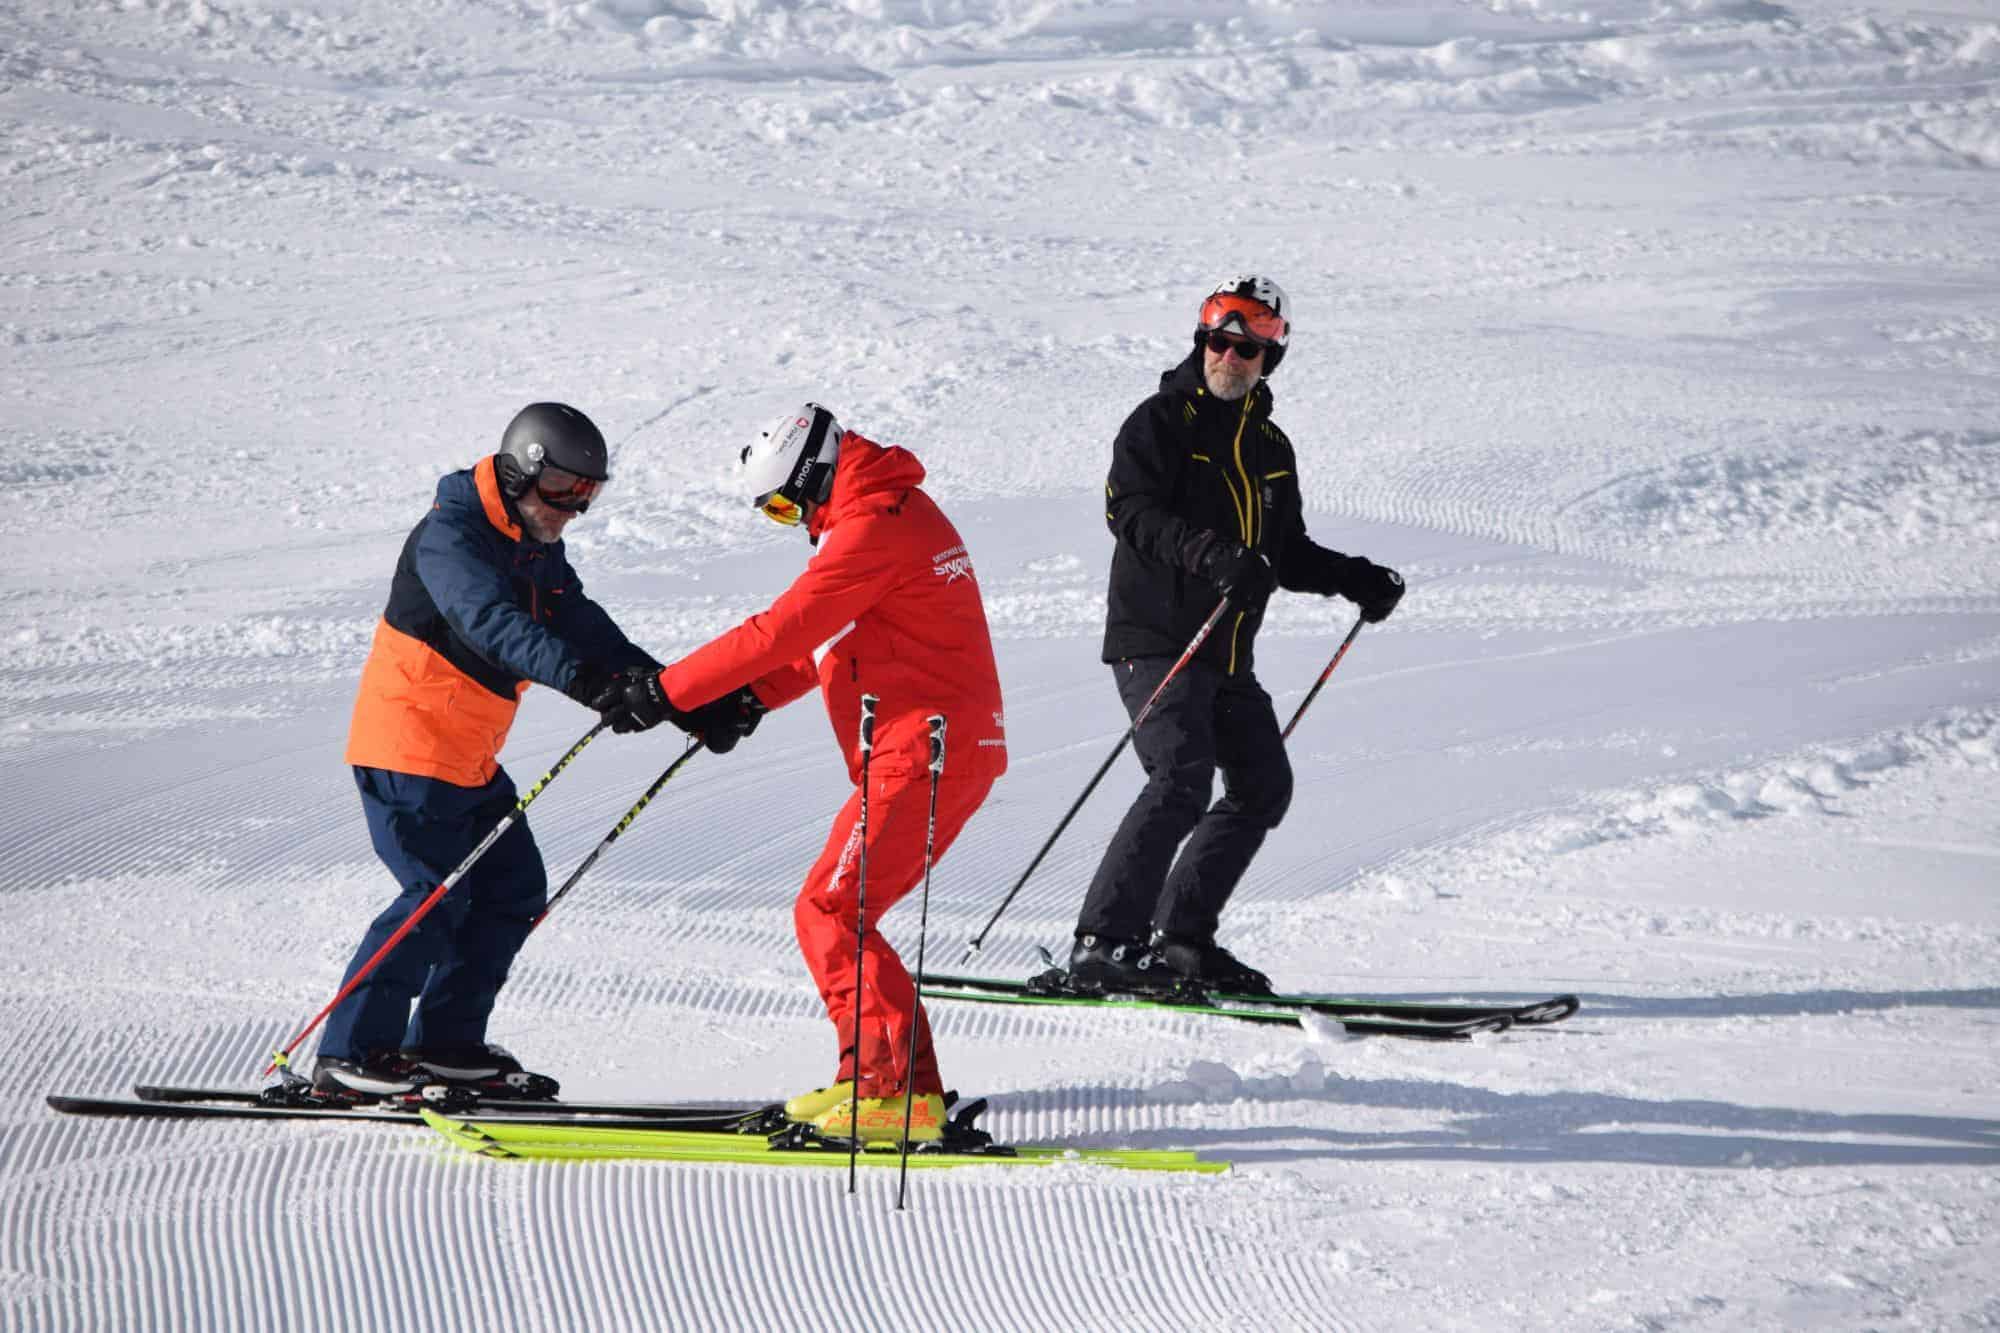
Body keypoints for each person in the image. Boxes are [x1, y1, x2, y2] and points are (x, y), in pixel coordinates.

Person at [617, 403, 1007, 1145]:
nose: (789, 519)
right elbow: (829, 639)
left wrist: (669, 690)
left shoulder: (876, 524)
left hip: (923, 747)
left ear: (818, 471)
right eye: (772, 511)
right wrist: (747, 699)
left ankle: (885, 1093)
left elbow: (787, 626)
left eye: (786, 502)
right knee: (841, 908)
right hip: (933, 746)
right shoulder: (887, 513)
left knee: (832, 910)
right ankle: (897, 1090)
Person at [1067, 276, 1405, 998]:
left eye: (1249, 347)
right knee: (1180, 777)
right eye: (1221, 341)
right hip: (1158, 637)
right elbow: (1129, 511)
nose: (1232, 356)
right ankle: (1102, 942)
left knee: (1262, 785)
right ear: (1202, 341)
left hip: (1226, 650)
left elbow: (1283, 552)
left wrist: (1358, 579)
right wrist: (1212, 554)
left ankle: (1181, 939)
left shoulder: (1271, 447)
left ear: (1269, 358)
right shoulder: (1159, 422)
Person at [313, 402, 658, 1101]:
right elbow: (492, 624)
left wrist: (667, 688)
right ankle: (349, 1051)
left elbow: (579, 620)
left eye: (589, 494)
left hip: (465, 756)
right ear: (522, 467)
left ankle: (443, 1043)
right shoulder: (451, 537)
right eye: (565, 489)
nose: (574, 509)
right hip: (407, 748)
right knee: (435, 894)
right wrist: (588, 682)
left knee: (512, 889)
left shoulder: (532, 545)